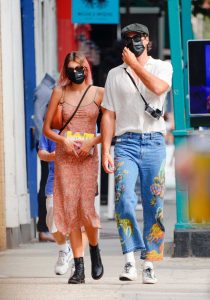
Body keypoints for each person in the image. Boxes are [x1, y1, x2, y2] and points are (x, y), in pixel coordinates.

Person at [101, 23, 173, 284]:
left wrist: (136, 66)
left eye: (138, 37)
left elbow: (158, 88)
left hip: (154, 143)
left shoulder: (162, 66)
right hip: (126, 144)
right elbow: (108, 114)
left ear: (147, 39)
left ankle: (149, 263)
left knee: (154, 205)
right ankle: (130, 260)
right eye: (128, 38)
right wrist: (106, 149)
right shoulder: (114, 75)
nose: (133, 42)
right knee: (124, 200)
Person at [43, 51, 104, 284]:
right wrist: (64, 141)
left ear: (87, 68)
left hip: (88, 157)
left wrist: (94, 140)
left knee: (86, 209)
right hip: (65, 157)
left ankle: (95, 249)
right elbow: (48, 129)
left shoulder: (98, 93)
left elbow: (110, 127)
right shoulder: (59, 92)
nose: (77, 72)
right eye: (71, 68)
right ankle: (79, 268)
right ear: (65, 70)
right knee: (71, 212)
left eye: (80, 67)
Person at [33, 73, 56, 242]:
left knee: (48, 183)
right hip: (47, 144)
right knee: (47, 183)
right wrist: (45, 142)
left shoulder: (47, 90)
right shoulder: (45, 92)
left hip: (48, 142)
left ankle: (47, 227)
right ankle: (44, 228)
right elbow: (39, 120)